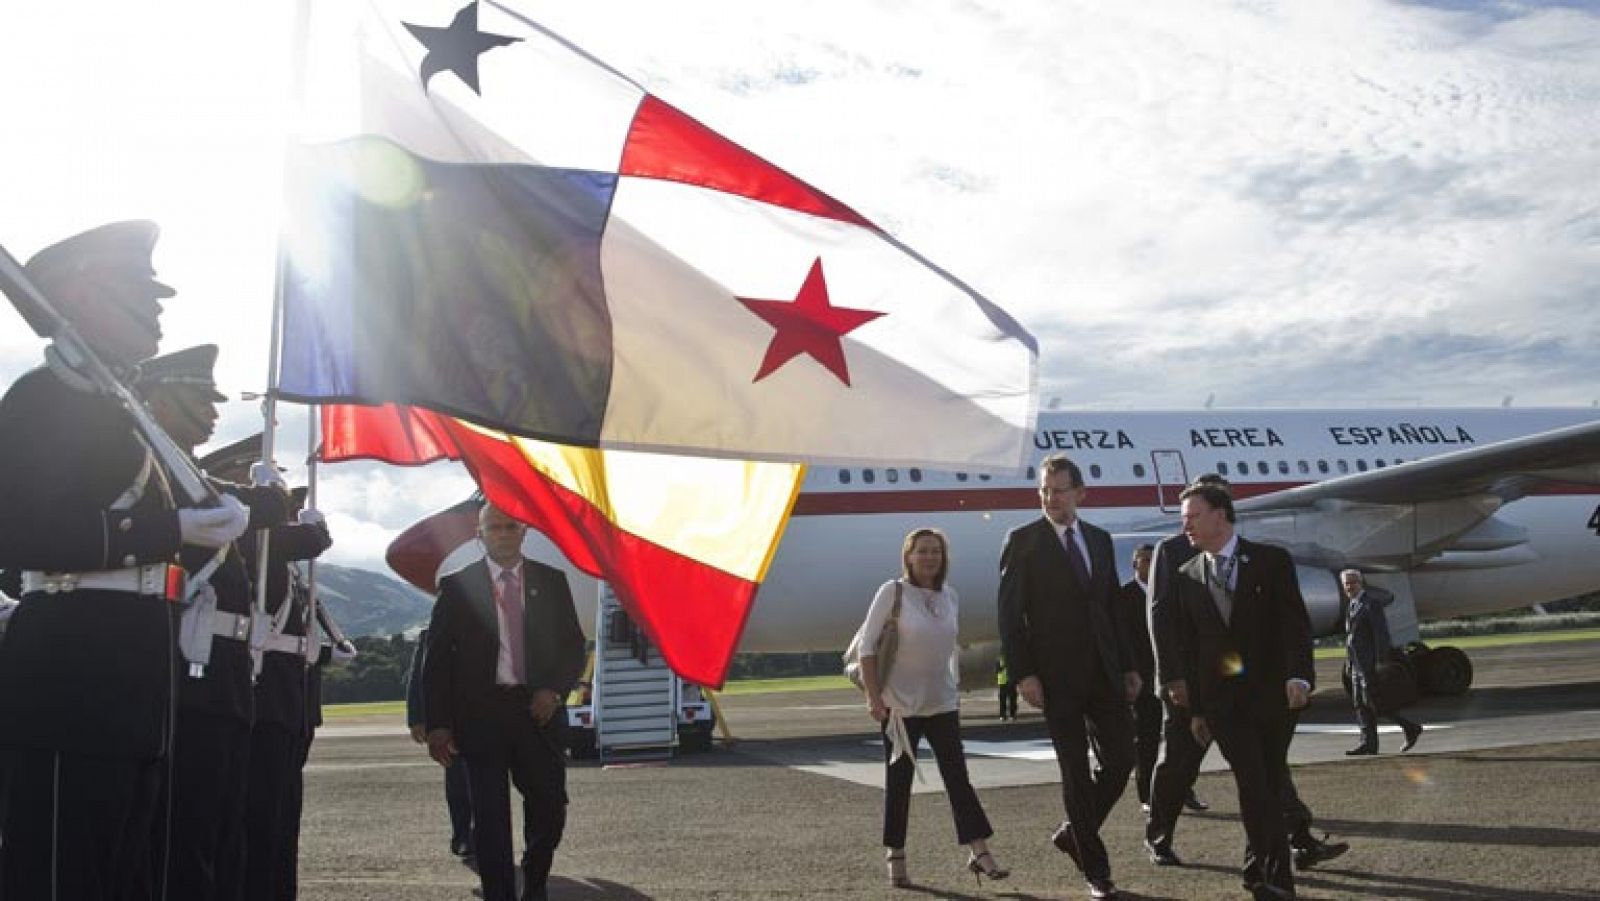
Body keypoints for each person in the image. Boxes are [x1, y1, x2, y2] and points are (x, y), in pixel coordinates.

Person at [0, 222, 250, 899]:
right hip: (70, 672)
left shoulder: (123, 412)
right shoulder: (42, 400)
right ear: (84, 293)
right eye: (142, 293)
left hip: (136, 677)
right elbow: (17, 529)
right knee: (60, 873)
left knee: (126, 873)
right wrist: (172, 526)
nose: (159, 310)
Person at [137, 345, 295, 901]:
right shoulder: (153, 462)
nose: (212, 413)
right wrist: (269, 503)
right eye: (201, 399)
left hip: (222, 678)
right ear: (158, 398)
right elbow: (213, 502)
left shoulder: (184, 466)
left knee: (221, 834)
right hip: (186, 678)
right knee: (186, 837)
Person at [423, 503, 586, 901]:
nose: (503, 533)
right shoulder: (457, 585)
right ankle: (499, 894)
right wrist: (437, 724)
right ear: (480, 535)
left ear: (524, 531)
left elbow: (572, 646)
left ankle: (535, 878)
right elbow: (437, 658)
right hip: (480, 717)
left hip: (537, 714)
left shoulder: (551, 581)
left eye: (510, 526)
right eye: (494, 527)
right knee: (491, 818)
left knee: (550, 805)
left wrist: (554, 690)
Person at [999, 454, 1138, 900]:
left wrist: (1130, 665)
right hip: (1055, 677)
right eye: (1044, 490)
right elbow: (1010, 616)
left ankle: (1073, 834)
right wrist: (1024, 674)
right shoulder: (1022, 541)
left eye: (1059, 489)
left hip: (1105, 671)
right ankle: (1097, 872)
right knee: (1075, 772)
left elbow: (1113, 607)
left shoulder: (1099, 539)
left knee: (1121, 762)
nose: (1050, 498)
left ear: (1080, 493)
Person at [1165, 481, 1314, 900]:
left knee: (1265, 782)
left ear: (1220, 515)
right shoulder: (1186, 575)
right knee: (1254, 783)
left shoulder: (1270, 562)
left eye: (1193, 517)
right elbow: (1191, 648)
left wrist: (1299, 676)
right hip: (1222, 705)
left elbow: (1294, 625)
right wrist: (1195, 710)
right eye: (1183, 520)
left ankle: (1256, 869)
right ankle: (1276, 879)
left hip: (1273, 698)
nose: (1186, 527)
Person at [859, 528, 1007, 889]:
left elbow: (949, 650)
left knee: (958, 780)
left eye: (936, 552)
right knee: (900, 783)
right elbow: (866, 647)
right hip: (900, 706)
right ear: (908, 556)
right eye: (922, 551)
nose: (929, 557)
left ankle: (979, 851)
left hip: (941, 703)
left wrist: (954, 689)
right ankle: (895, 853)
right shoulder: (892, 592)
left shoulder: (950, 597)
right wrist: (874, 697)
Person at [408, 627, 476, 859]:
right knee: (458, 782)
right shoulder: (431, 633)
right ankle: (462, 835)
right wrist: (417, 717)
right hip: (451, 722)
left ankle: (483, 833)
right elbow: (419, 675)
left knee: (488, 782)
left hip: (486, 716)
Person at [1341, 569, 1424, 755]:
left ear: (1360, 583)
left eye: (1352, 582)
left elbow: (1381, 634)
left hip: (1369, 663)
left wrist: (1380, 661)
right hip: (1356, 663)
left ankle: (1410, 728)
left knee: (1375, 703)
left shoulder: (1370, 604)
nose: (1349, 586)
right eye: (1346, 583)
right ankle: (1368, 743)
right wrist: (1350, 662)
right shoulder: (1351, 605)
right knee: (1359, 704)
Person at [1119, 545, 1163, 814]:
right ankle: (1146, 793)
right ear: (1134, 565)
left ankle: (1181, 790)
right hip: (1141, 680)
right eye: (1143, 561)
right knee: (1145, 739)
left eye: (1153, 560)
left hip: (1168, 677)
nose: (1148, 565)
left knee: (1177, 741)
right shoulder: (1125, 596)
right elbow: (1123, 640)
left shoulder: (1167, 591)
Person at [996, 655, 1018, 721]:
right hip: (1003, 682)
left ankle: (1012, 715)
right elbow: (997, 670)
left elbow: (1015, 669)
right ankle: (1003, 715)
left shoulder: (1012, 659)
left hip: (1010, 681)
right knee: (1003, 700)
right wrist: (1003, 666)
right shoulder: (999, 660)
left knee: (1012, 699)